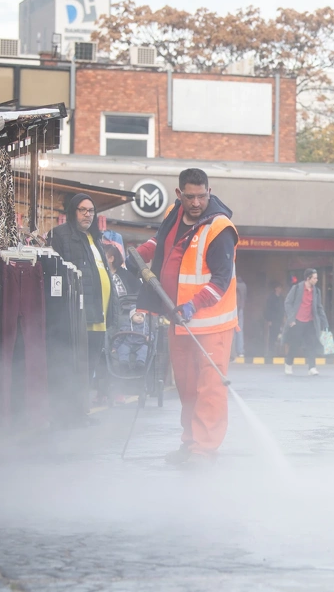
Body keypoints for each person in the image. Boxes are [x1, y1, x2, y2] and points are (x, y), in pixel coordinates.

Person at [135, 168, 239, 465]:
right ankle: (191, 442)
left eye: (201, 196)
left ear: (210, 191)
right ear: (179, 194)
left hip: (212, 324)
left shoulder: (220, 228)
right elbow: (161, 242)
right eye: (190, 197)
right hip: (180, 321)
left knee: (209, 388)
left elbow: (221, 280)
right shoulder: (174, 213)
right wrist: (137, 254)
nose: (196, 203)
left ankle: (204, 449)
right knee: (187, 388)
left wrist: (193, 305)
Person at [49, 193, 113, 403]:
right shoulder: (60, 234)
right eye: (83, 210)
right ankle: (70, 412)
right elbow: (56, 272)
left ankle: (81, 409)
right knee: (74, 366)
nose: (88, 215)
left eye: (91, 210)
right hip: (78, 315)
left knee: (90, 366)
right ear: (73, 211)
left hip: (99, 315)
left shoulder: (95, 238)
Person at [283, 269, 329, 376]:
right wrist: (291, 319)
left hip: (310, 322)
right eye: (314, 278)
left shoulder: (316, 291)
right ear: (308, 278)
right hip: (297, 321)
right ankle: (288, 363)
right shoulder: (297, 288)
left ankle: (312, 367)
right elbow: (288, 303)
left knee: (311, 344)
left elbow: (319, 307)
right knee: (294, 344)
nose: (316, 280)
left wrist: (324, 321)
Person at [264, 282, 285, 357]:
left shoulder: (281, 298)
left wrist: (283, 318)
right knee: (272, 335)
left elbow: (283, 308)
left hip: (279, 319)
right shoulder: (271, 297)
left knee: (278, 335)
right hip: (273, 320)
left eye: (281, 288)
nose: (280, 289)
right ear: (276, 288)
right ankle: (270, 351)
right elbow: (268, 309)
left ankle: (278, 352)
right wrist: (269, 320)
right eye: (279, 288)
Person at [232, 276, 247, 359]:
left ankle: (233, 351)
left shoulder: (234, 285)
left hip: (234, 309)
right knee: (240, 330)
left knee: (233, 331)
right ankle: (240, 351)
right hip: (241, 309)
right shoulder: (244, 285)